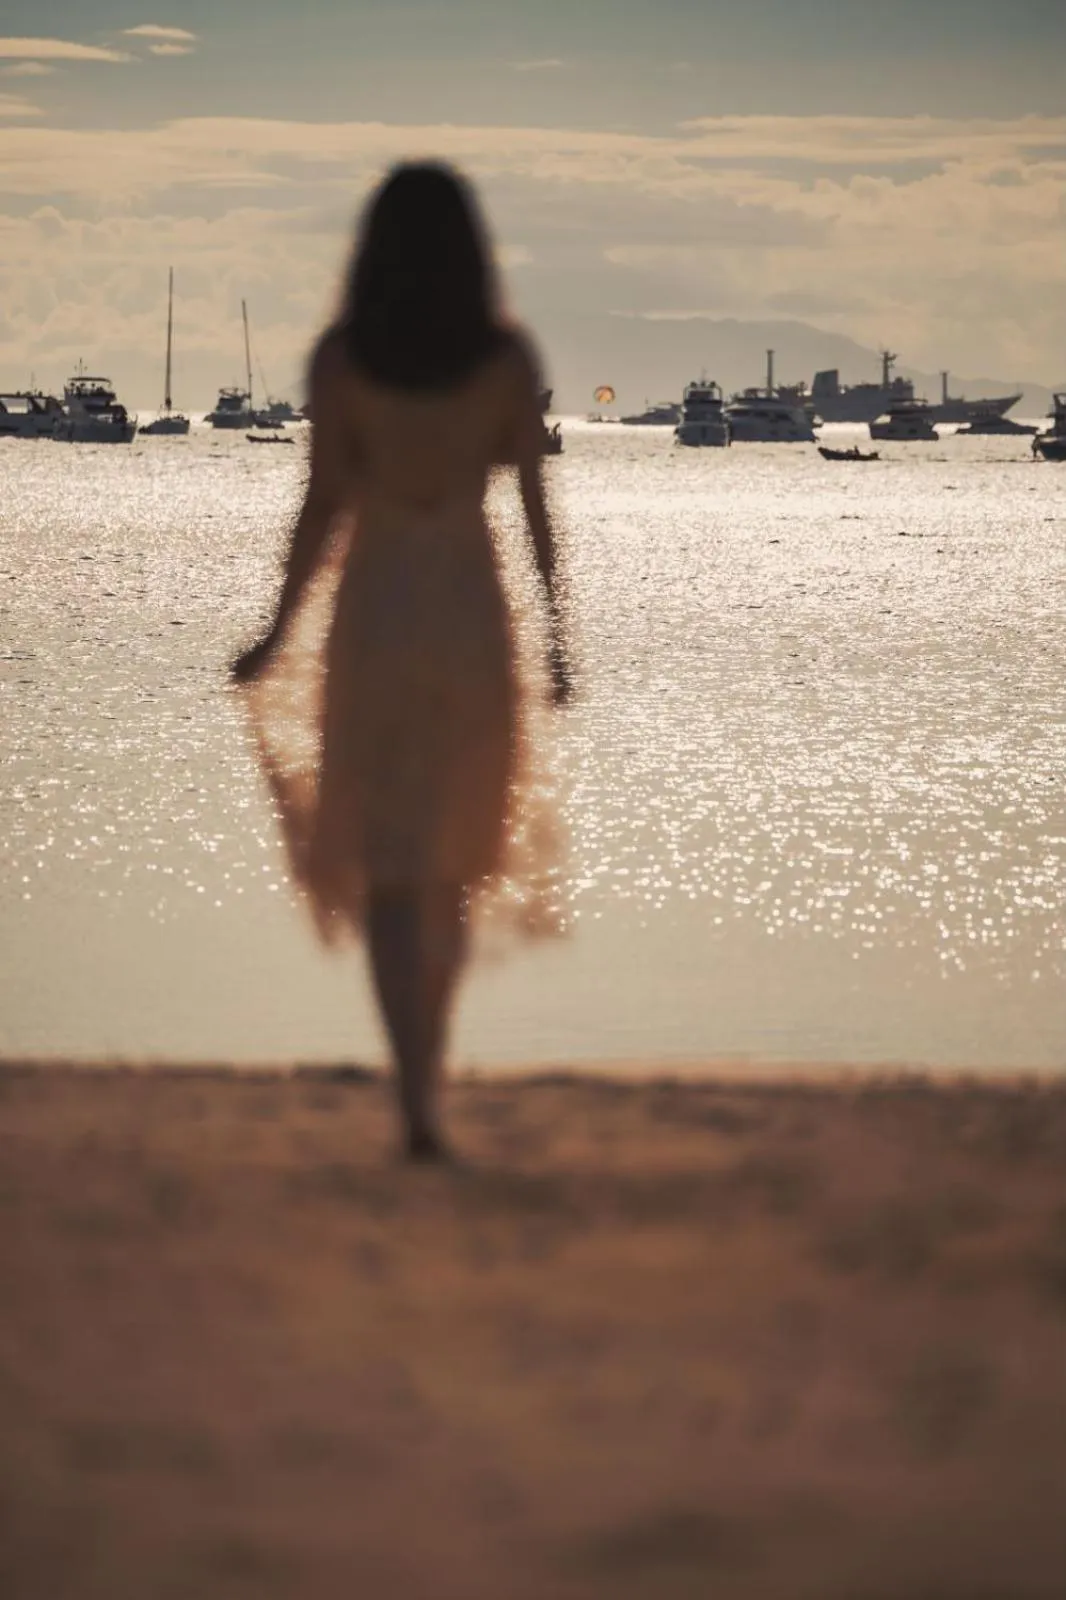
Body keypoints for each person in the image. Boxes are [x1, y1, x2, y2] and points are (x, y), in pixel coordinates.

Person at [232, 162, 571, 1161]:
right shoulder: (505, 359)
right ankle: (430, 1074)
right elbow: (538, 514)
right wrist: (557, 635)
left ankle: (415, 1099)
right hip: (468, 616)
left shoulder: (343, 359)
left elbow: (320, 508)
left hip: (376, 614)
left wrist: (275, 630)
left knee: (387, 867)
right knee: (455, 859)